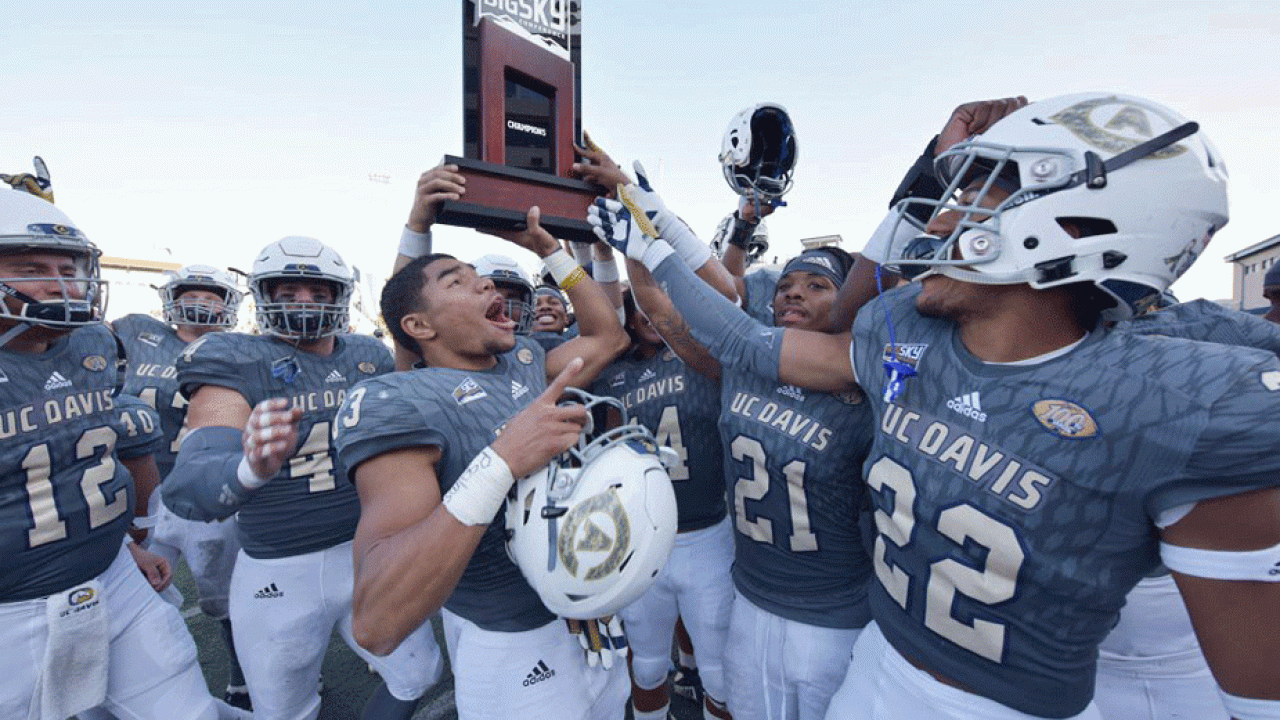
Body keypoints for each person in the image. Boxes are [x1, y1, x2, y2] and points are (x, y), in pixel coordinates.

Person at [598, 92, 1280, 720]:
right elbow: (743, 335)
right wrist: (655, 244)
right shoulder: (910, 338)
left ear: (1071, 223)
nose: (944, 218)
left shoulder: (1184, 398)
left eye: (977, 198)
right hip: (874, 663)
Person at [332, 163, 631, 719]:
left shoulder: (522, 359)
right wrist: (500, 463)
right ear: (421, 328)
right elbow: (376, 623)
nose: (488, 282)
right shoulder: (401, 400)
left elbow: (608, 336)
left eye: (481, 275)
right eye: (457, 281)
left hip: (590, 608)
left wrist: (548, 248)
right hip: (517, 640)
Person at [163, 235, 442, 720]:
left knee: (419, 672)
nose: (304, 306)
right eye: (287, 294)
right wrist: (250, 467)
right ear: (262, 296)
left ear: (341, 297)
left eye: (318, 293)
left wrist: (417, 223)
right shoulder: (235, 358)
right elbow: (195, 480)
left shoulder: (365, 355)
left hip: (366, 551)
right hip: (278, 567)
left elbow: (409, 301)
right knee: (285, 709)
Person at [0, 188, 250, 720]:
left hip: (111, 575)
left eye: (69, 266)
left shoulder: (93, 342)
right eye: (32, 267)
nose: (62, 283)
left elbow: (76, 466)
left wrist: (123, 546)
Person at [621, 243, 873, 720]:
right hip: (753, 597)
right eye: (785, 288)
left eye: (816, 286)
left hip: (835, 611)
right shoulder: (740, 364)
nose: (793, 295)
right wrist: (635, 244)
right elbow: (662, 311)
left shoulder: (869, 383)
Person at [590, 290, 736, 720]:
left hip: (707, 534)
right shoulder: (615, 375)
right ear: (631, 320)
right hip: (644, 540)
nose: (654, 314)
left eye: (664, 305)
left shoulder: (708, 359)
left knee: (720, 674)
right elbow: (613, 452)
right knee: (649, 664)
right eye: (644, 309)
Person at [112, 263, 253, 708]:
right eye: (193, 293)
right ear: (172, 296)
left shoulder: (241, 349)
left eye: (213, 296)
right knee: (134, 592)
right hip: (143, 485)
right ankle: (146, 682)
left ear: (229, 305)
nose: (202, 302)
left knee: (223, 598)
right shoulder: (136, 331)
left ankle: (244, 672)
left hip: (203, 490)